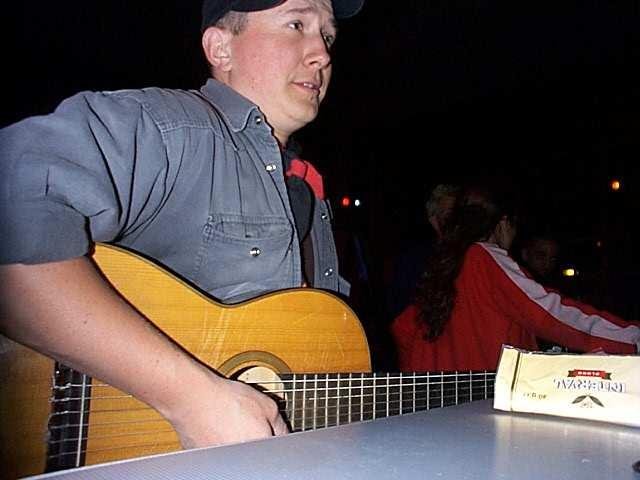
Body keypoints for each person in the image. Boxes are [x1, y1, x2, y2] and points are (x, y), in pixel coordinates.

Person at [0, 0, 364, 450]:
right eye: (296, 24)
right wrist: (190, 397)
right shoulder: (169, 129)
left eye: (327, 35)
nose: (322, 53)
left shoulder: (309, 193)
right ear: (220, 48)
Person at [391, 183, 640, 372]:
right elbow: (551, 314)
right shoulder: (485, 258)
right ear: (503, 223)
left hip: (442, 410)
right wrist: (631, 337)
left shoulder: (443, 263)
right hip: (486, 404)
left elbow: (404, 330)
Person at [385, 183, 459, 320]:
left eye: (459, 214)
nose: (457, 222)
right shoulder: (414, 260)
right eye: (449, 215)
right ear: (434, 220)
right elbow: (399, 309)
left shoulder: (471, 256)